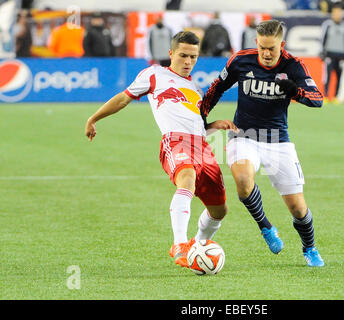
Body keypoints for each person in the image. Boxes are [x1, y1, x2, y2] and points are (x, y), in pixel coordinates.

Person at [85, 31, 238, 269]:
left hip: (202, 146)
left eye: (193, 57)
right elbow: (123, 98)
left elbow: (196, 126)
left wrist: (213, 126)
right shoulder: (155, 74)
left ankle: (195, 246)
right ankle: (178, 244)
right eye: (183, 55)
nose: (188, 62)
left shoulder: (194, 89)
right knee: (186, 178)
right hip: (175, 141)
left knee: (219, 210)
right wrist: (94, 118)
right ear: (171, 53)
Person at [201, 20, 325, 267]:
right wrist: (201, 119)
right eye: (263, 48)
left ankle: (309, 248)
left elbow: (317, 99)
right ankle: (266, 227)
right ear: (257, 43)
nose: (267, 54)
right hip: (243, 134)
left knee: (298, 208)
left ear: (282, 44)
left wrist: (295, 91)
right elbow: (216, 89)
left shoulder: (294, 66)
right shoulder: (240, 61)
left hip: (277, 140)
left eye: (273, 49)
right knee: (244, 182)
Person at [320, 4, 344, 103]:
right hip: (330, 54)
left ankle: (336, 96)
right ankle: (326, 95)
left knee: (339, 76)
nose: (337, 15)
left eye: (339, 13)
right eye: (335, 13)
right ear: (332, 14)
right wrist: (322, 52)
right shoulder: (328, 25)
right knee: (327, 76)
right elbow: (323, 39)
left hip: (340, 54)